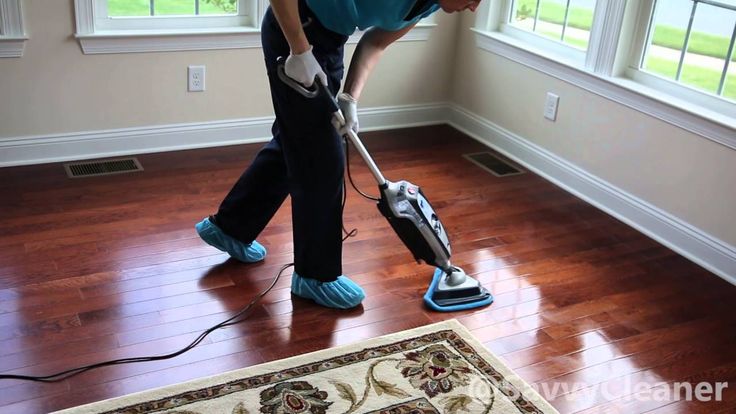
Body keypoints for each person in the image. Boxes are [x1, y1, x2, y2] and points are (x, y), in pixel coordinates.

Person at [196, 0, 481, 310]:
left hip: (329, 42)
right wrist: (300, 51)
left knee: (299, 141)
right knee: (323, 160)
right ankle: (316, 275)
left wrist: (350, 96)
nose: (475, 8)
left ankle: (230, 227)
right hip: (292, 25)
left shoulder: (428, 5)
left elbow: (376, 42)